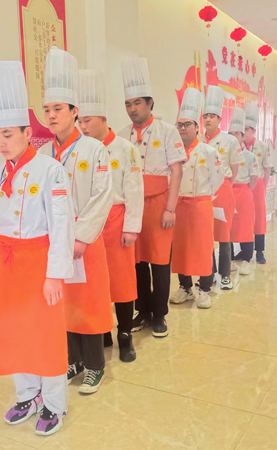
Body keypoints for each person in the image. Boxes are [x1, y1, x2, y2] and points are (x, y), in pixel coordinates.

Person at [0, 61, 75, 436]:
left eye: (7, 135)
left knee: (46, 333)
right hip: (8, 263)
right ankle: (27, 395)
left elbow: (62, 225)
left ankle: (54, 404)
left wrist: (54, 275)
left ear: (28, 133)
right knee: (16, 330)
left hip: (39, 262)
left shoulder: (50, 170)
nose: (0, 142)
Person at [38, 48, 114, 395]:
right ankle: (73, 360)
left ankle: (95, 365)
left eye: (58, 109)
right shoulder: (42, 154)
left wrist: (81, 236)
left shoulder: (94, 149)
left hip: (86, 241)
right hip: (56, 242)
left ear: (74, 112)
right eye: (47, 110)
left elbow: (102, 195)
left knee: (89, 302)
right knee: (64, 302)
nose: (51, 115)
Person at [77, 69, 144, 362]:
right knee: (95, 282)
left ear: (103, 119)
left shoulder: (125, 149)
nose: (83, 126)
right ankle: (101, 330)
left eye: (87, 120)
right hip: (90, 224)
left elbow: (135, 190)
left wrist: (131, 227)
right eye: (79, 121)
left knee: (122, 281)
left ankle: (125, 335)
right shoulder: (81, 150)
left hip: (117, 222)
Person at [118, 57, 186, 338]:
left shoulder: (167, 131)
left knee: (159, 262)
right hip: (132, 206)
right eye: (128, 104)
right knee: (137, 262)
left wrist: (170, 209)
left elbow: (177, 170)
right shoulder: (122, 136)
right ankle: (143, 311)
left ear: (150, 103)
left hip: (159, 205)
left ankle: (160, 314)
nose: (132, 109)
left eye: (137, 103)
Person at [170, 88, 223, 309]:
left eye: (187, 124)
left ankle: (204, 289)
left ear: (196, 127)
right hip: (178, 205)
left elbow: (217, 178)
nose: (183, 129)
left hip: (201, 205)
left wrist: (203, 196)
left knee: (203, 248)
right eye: (179, 125)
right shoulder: (173, 152)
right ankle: (185, 288)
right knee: (181, 248)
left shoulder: (208, 152)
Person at [203, 86, 244, 289]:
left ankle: (225, 274)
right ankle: (208, 274)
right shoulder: (198, 140)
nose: (208, 120)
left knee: (224, 234)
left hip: (223, 190)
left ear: (219, 119)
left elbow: (234, 169)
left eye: (212, 116)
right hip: (203, 192)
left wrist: (225, 185)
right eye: (205, 116)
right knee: (206, 235)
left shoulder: (230, 141)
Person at [229, 106, 259, 275]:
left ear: (242, 136)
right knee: (228, 228)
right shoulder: (224, 154)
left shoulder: (250, 156)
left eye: (237, 134)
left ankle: (247, 259)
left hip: (244, 193)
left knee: (246, 228)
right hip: (228, 192)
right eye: (230, 134)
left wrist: (245, 190)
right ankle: (230, 260)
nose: (233, 137)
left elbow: (254, 178)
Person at [243, 103, 273, 264]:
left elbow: (267, 168)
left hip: (258, 185)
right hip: (243, 185)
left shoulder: (262, 146)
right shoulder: (238, 145)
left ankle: (260, 251)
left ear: (253, 130)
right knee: (244, 217)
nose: (244, 132)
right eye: (243, 129)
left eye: (247, 129)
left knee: (259, 218)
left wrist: (264, 187)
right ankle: (244, 251)